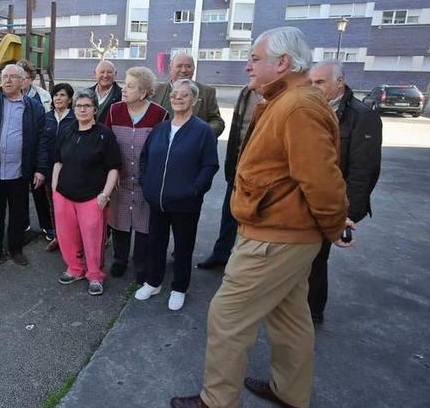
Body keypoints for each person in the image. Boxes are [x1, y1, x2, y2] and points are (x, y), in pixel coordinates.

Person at [171, 27, 349, 408]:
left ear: (282, 63)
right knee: (290, 318)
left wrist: (335, 225)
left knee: (228, 315)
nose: (247, 65)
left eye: (255, 58)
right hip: (283, 233)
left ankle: (216, 401)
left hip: (276, 237)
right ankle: (289, 392)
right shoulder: (287, 100)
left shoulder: (298, 106)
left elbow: (322, 180)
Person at [308, 60, 382, 324]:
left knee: (316, 261)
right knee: (301, 259)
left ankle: (312, 313)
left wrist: (345, 216)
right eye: (311, 82)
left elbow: (364, 172)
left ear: (340, 82)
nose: (314, 88)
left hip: (331, 204)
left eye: (320, 82)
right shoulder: (310, 109)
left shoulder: (363, 116)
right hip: (305, 199)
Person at [138, 79, 218, 310]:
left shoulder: (202, 130)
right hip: (157, 200)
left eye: (184, 95)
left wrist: (194, 190)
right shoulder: (161, 128)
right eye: (174, 94)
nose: (177, 98)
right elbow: (145, 158)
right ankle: (153, 282)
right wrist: (147, 184)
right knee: (156, 243)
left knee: (183, 247)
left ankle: (179, 287)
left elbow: (210, 165)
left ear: (194, 100)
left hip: (185, 203)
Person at [0, 64, 49, 267]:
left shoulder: (34, 107)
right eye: (4, 76)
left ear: (22, 81)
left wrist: (40, 169)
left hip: (20, 172)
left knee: (18, 214)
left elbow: (42, 141)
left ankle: (16, 250)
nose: (7, 80)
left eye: (12, 77)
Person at [51, 89, 122, 296]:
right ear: (73, 109)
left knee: (92, 239)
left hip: (92, 197)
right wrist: (55, 190)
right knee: (66, 237)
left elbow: (113, 168)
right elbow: (58, 161)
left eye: (87, 106)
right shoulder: (66, 131)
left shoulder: (104, 134)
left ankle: (95, 275)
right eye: (78, 106)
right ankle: (75, 269)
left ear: (95, 109)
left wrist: (105, 195)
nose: (82, 110)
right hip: (64, 195)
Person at [103, 66, 168, 279]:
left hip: (145, 181)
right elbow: (106, 143)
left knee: (143, 225)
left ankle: (140, 264)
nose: (123, 89)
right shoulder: (114, 110)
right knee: (120, 221)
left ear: (143, 92)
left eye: (130, 86)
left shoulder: (160, 114)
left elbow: (162, 149)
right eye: (125, 84)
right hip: (120, 180)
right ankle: (120, 260)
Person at [197, 85, 260, 270]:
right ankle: (221, 255)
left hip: (260, 171)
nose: (249, 67)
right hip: (238, 165)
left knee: (253, 220)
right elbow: (236, 129)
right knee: (229, 214)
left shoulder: (284, 97)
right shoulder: (247, 91)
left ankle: (248, 266)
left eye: (255, 60)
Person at [17, 59, 55, 242]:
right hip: (17, 153)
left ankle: (47, 226)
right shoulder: (9, 96)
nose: (20, 81)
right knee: (19, 191)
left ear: (31, 79)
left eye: (23, 78)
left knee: (39, 190)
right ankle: (23, 224)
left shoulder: (42, 97)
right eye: (18, 77)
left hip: (36, 150)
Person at [151, 54, 225, 137]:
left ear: (194, 69)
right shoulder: (155, 90)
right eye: (179, 66)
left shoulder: (206, 92)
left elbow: (216, 121)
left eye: (188, 66)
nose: (184, 70)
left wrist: (203, 133)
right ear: (170, 69)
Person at [42, 83, 76, 252]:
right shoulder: (46, 117)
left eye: (62, 95)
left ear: (69, 99)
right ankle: (58, 237)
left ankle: (73, 239)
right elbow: (41, 144)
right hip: (49, 171)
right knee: (54, 206)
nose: (58, 98)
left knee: (71, 208)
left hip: (71, 172)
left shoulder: (75, 119)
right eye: (55, 95)